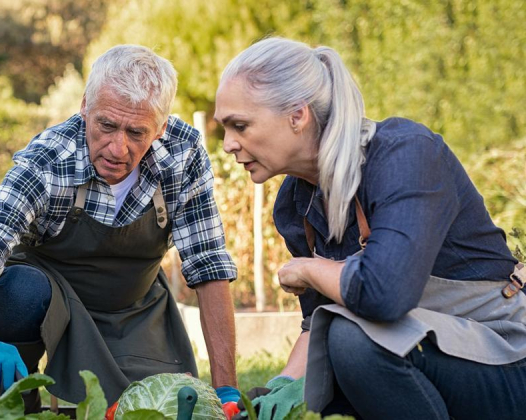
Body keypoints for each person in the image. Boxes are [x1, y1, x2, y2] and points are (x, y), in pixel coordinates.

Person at [215, 37, 526, 420]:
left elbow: (385, 293)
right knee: (329, 363)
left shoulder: (405, 155)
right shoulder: (294, 203)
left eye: (240, 126)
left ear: (297, 115)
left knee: (353, 342)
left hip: (505, 353)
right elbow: (319, 322)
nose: (228, 144)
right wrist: (279, 395)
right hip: (426, 352)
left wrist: (308, 269)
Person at [0, 44, 242, 414]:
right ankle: (19, 403)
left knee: (149, 409)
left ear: (161, 127)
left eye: (136, 132)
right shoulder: (49, 159)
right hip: (52, 301)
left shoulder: (183, 153)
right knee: (18, 293)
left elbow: (208, 264)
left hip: (135, 307)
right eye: (106, 125)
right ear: (85, 106)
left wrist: (227, 389)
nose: (118, 148)